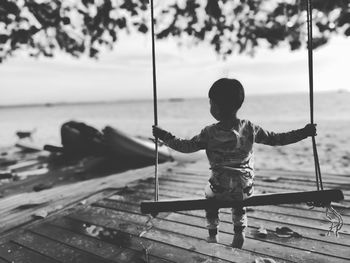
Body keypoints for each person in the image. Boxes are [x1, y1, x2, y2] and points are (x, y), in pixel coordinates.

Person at [152, 78, 316, 249]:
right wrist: (304, 132)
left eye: (211, 103)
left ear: (215, 107)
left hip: (220, 189)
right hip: (245, 189)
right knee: (239, 195)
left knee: (209, 194)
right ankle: (239, 233)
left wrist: (165, 136)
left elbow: (185, 147)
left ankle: (213, 234)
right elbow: (278, 139)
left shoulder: (209, 132)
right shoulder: (250, 128)